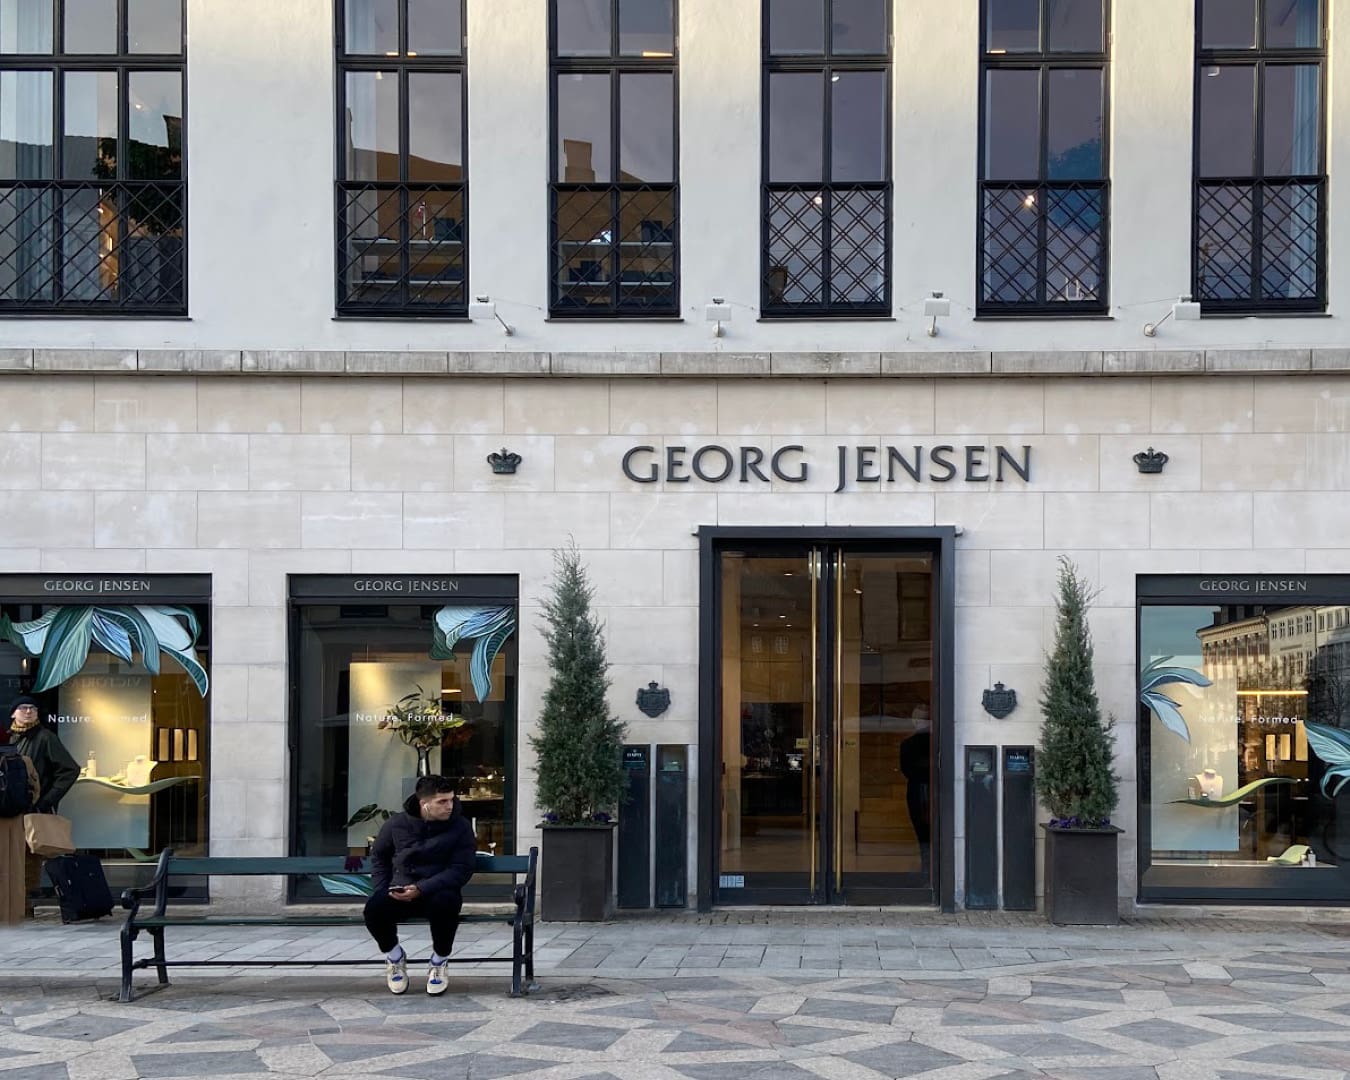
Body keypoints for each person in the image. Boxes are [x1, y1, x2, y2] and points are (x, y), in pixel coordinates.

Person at [363, 774, 476, 996]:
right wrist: (385, 889)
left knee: (446, 903)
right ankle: (395, 957)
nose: (449, 806)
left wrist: (423, 888)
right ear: (424, 804)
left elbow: (461, 869)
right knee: (374, 908)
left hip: (438, 891)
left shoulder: (460, 827)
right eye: (442, 802)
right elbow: (379, 858)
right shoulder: (396, 824)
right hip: (401, 890)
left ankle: (439, 961)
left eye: (451, 800)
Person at [8, 695, 79, 918]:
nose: (28, 711)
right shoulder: (8, 739)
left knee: (30, 859)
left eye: (33, 708)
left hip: (32, 811)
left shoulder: (45, 738)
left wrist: (47, 800)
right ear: (13, 713)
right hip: (8, 809)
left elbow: (69, 770)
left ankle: (25, 906)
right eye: (23, 708)